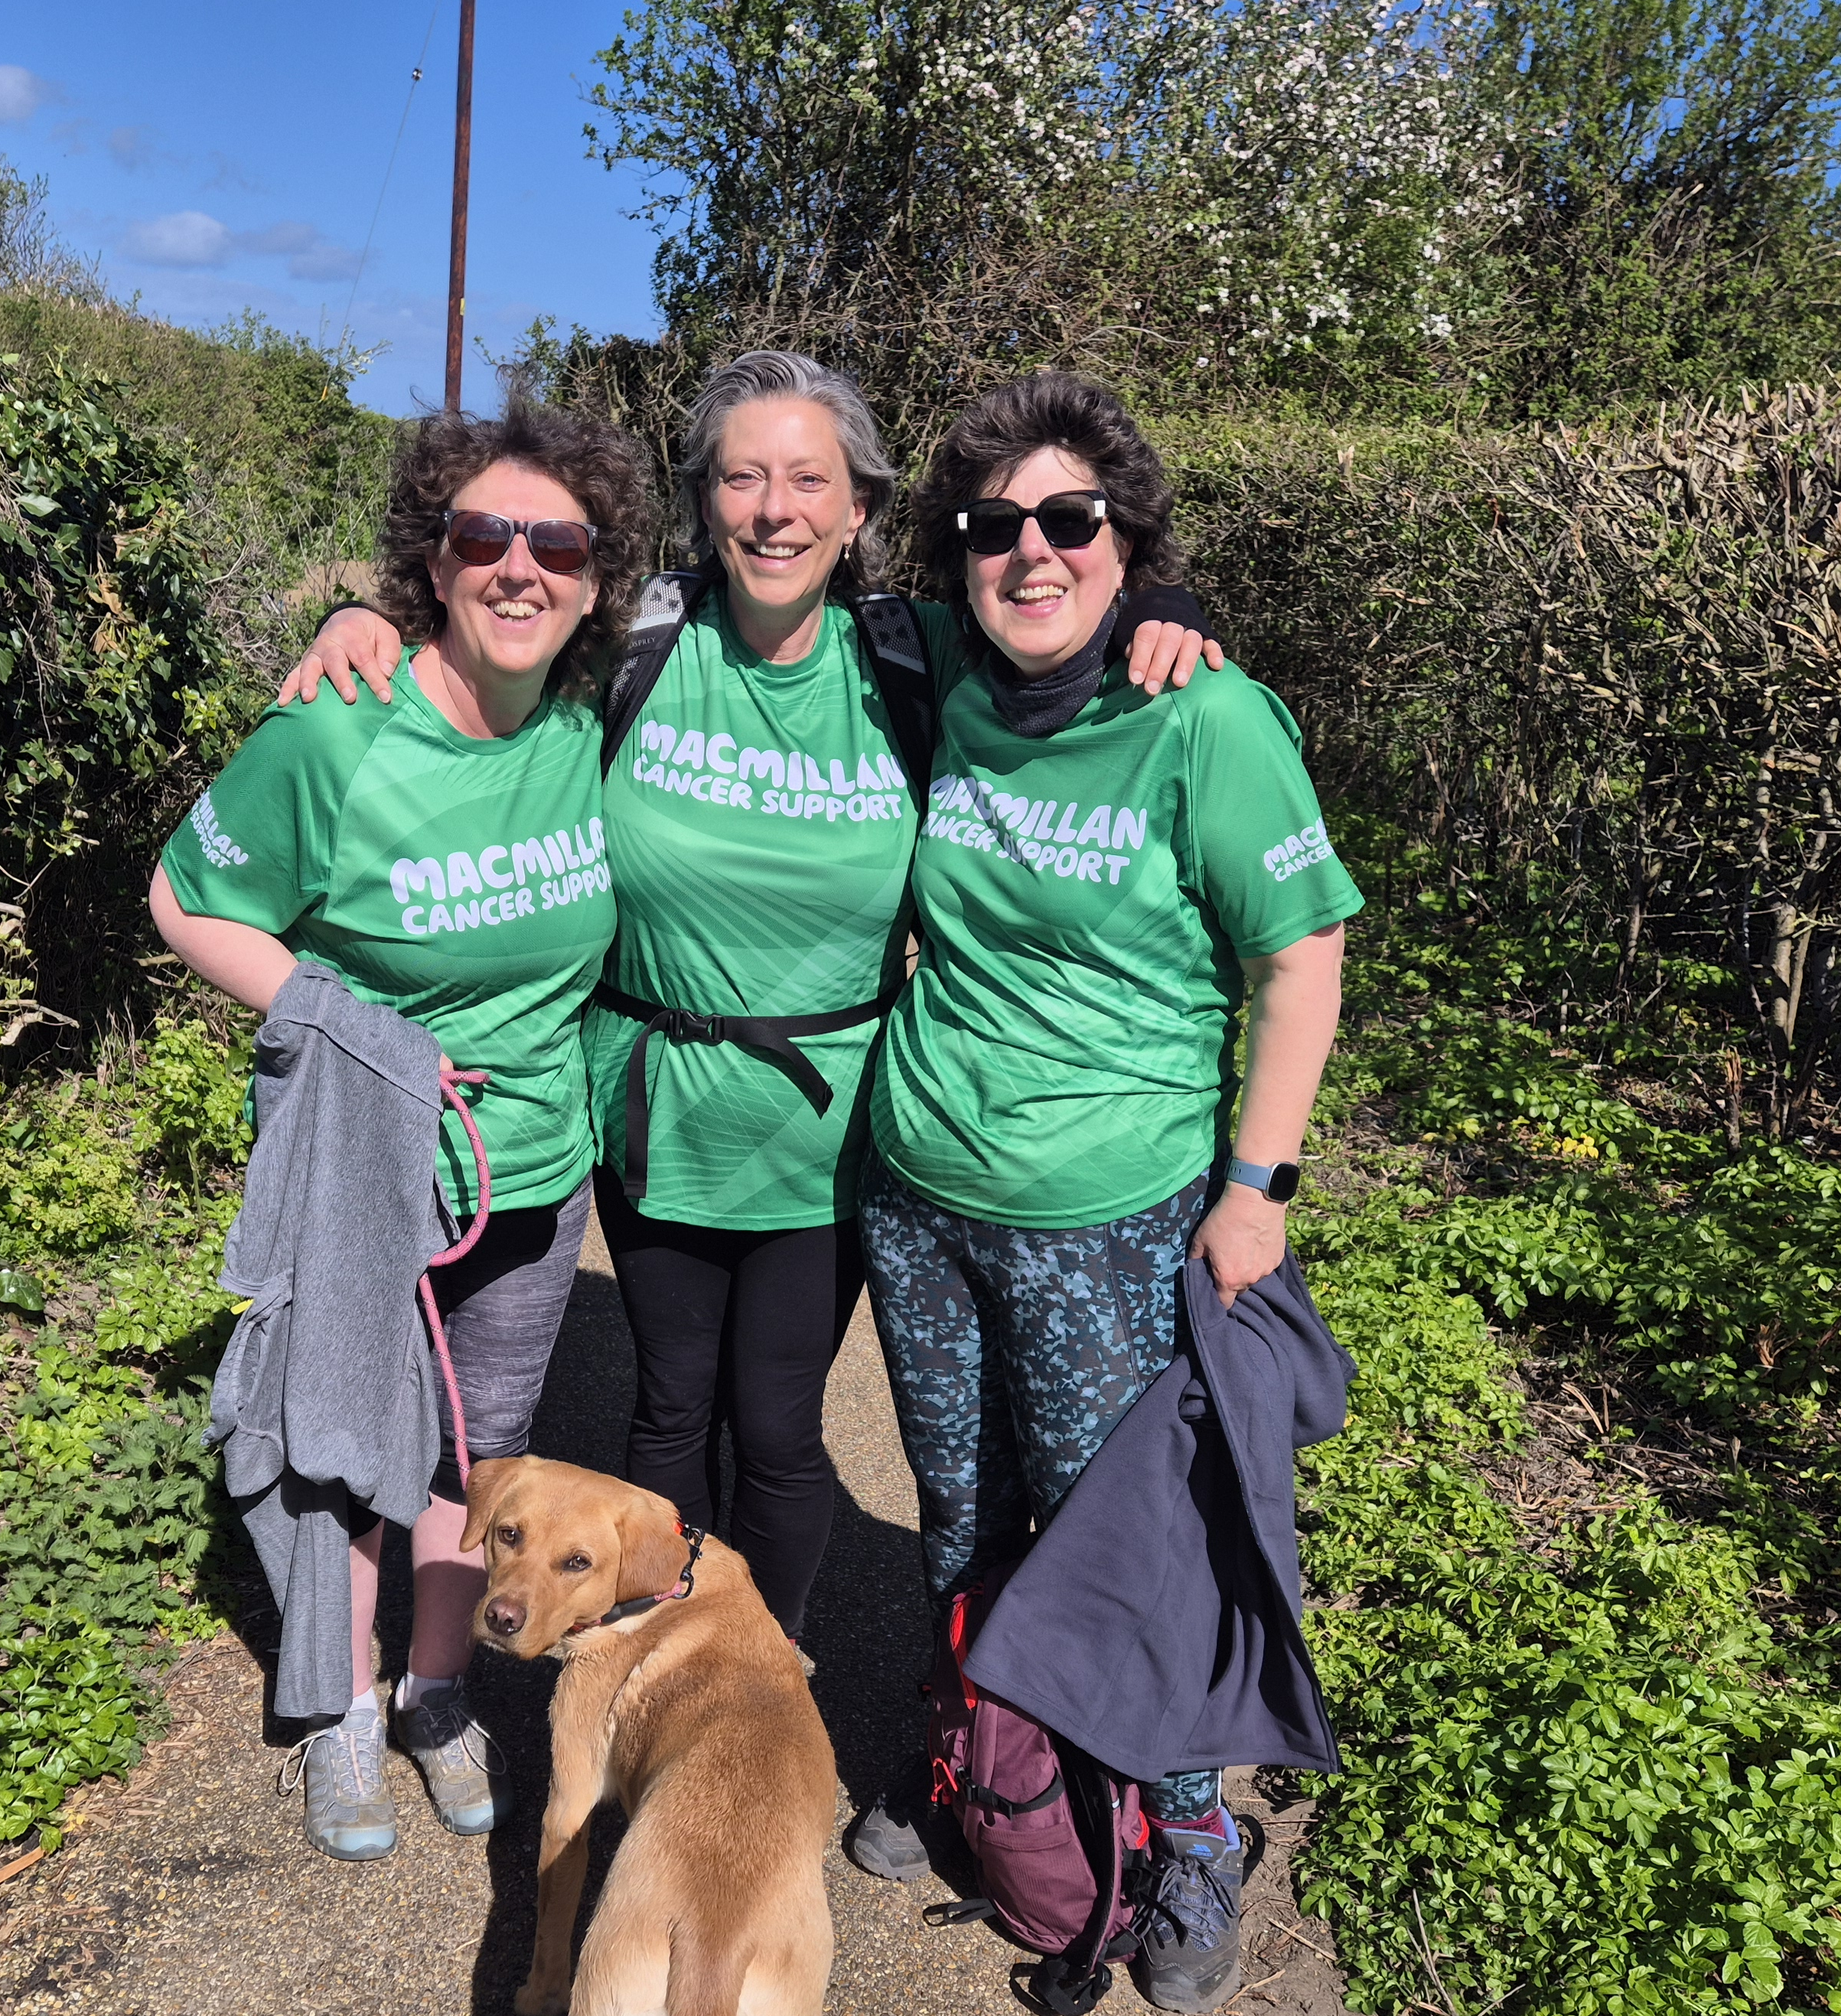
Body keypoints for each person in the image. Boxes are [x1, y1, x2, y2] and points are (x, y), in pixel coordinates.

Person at [282, 353, 1223, 1648]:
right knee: (669, 1407)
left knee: (779, 1427)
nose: (774, 508)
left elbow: (1055, 602)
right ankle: (646, 1673)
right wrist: (367, 623)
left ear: (860, 513)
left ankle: (753, 1679)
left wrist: (1165, 595)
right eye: (742, 476)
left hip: (827, 1121)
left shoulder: (916, 654)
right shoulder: (640, 639)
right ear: (704, 502)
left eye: (808, 480)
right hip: (655, 1097)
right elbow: (496, 625)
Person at [848, 371, 1363, 2014]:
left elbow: (1301, 956)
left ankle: (1192, 1832)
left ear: (1125, 543)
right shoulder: (937, 676)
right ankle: (977, 1760)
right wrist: (374, 618)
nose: (1027, 552)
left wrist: (1256, 1184)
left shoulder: (1201, 716)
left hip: (1112, 1214)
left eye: (1068, 521)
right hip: (919, 1194)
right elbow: (743, 595)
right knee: (961, 1510)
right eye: (992, 526)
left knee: (1128, 1541)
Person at [149, 397, 649, 1861]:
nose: (519, 567)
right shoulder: (337, 731)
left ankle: (437, 1696)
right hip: (373, 1175)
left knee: (472, 1461)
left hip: (537, 1176)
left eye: (558, 543)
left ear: (596, 578)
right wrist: (357, 1032)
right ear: (432, 562)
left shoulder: (586, 718)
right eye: (482, 534)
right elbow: (188, 901)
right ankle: (342, 1712)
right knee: (344, 1453)